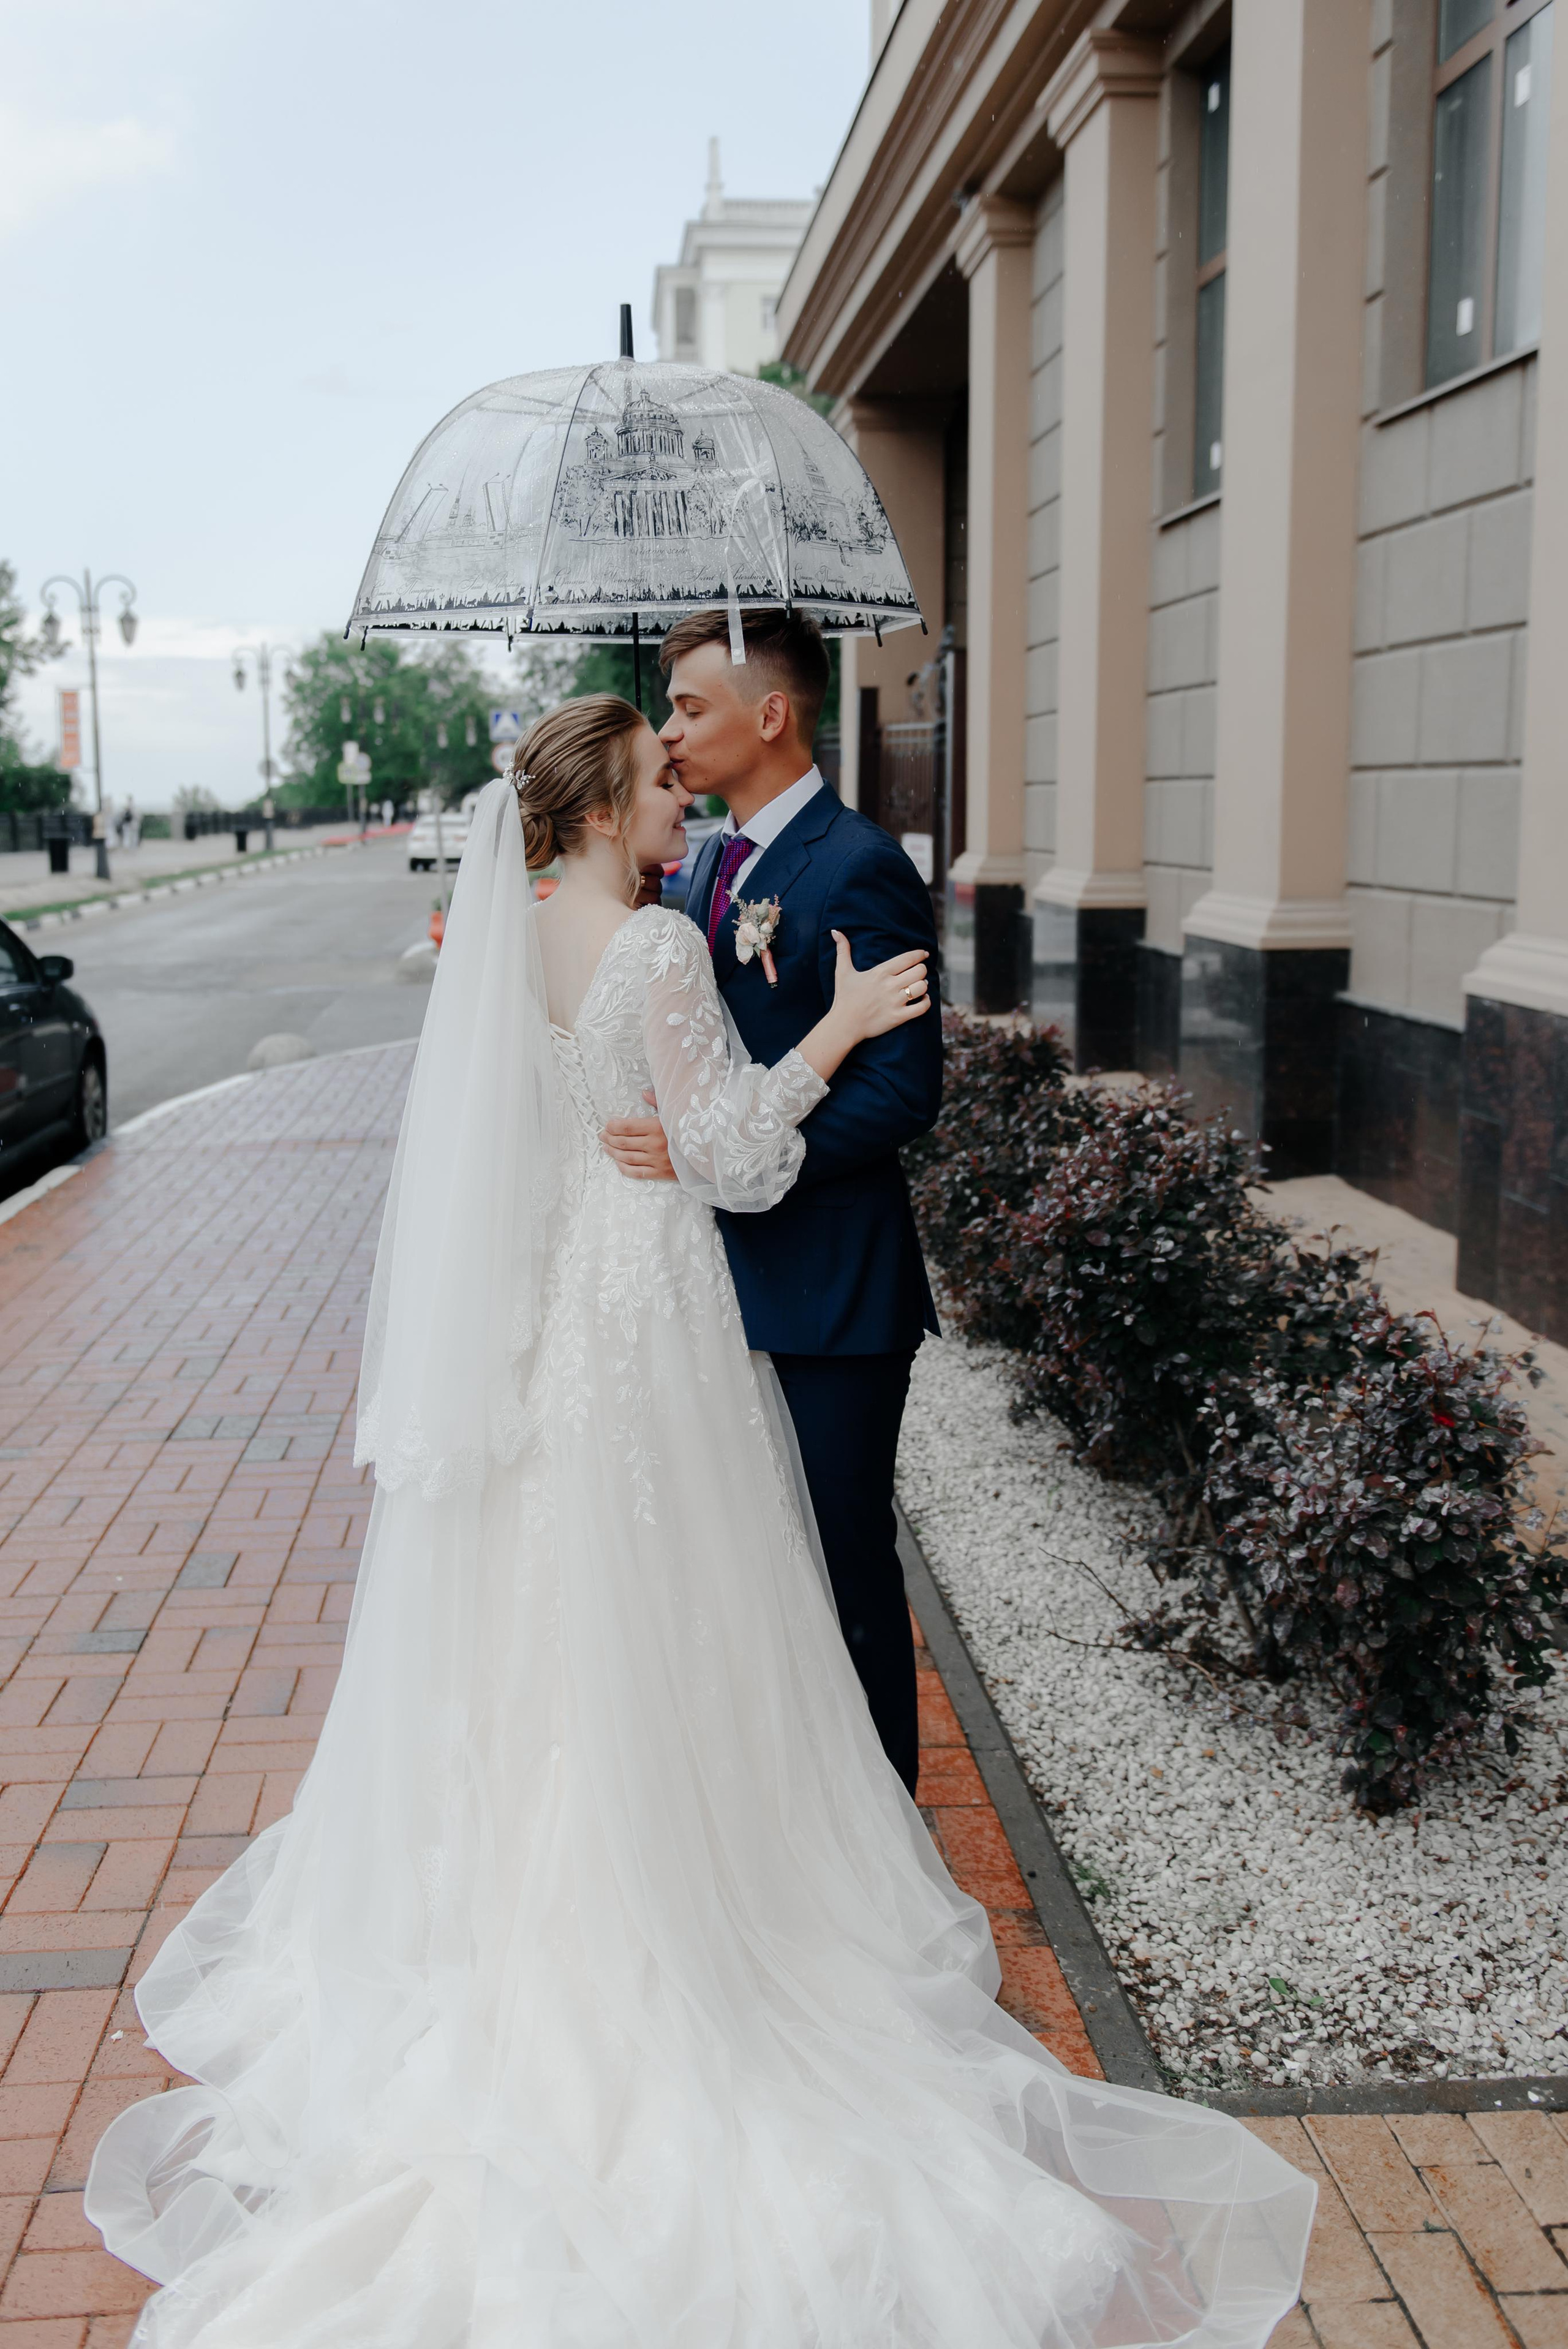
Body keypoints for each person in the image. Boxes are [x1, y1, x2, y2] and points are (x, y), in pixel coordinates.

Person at [84, 695, 1313, 2346]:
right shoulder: (656, 950)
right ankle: (688, 1917)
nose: (684, 797)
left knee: (560, 1632)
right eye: (663, 777)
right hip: (651, 1317)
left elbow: (531, 1146)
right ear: (600, 806)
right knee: (693, 1607)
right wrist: (836, 1021)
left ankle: (532, 1920)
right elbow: (731, 1157)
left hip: (556, 1336)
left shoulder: (508, 950)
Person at [601, 609, 939, 1796]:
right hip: (706, 1278)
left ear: (771, 714)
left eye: (690, 707)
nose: (672, 732)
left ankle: (888, 1828)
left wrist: (728, 1163)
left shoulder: (856, 867)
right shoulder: (696, 873)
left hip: (829, 1288)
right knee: (749, 1571)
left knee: (842, 1568)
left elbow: (901, 1093)